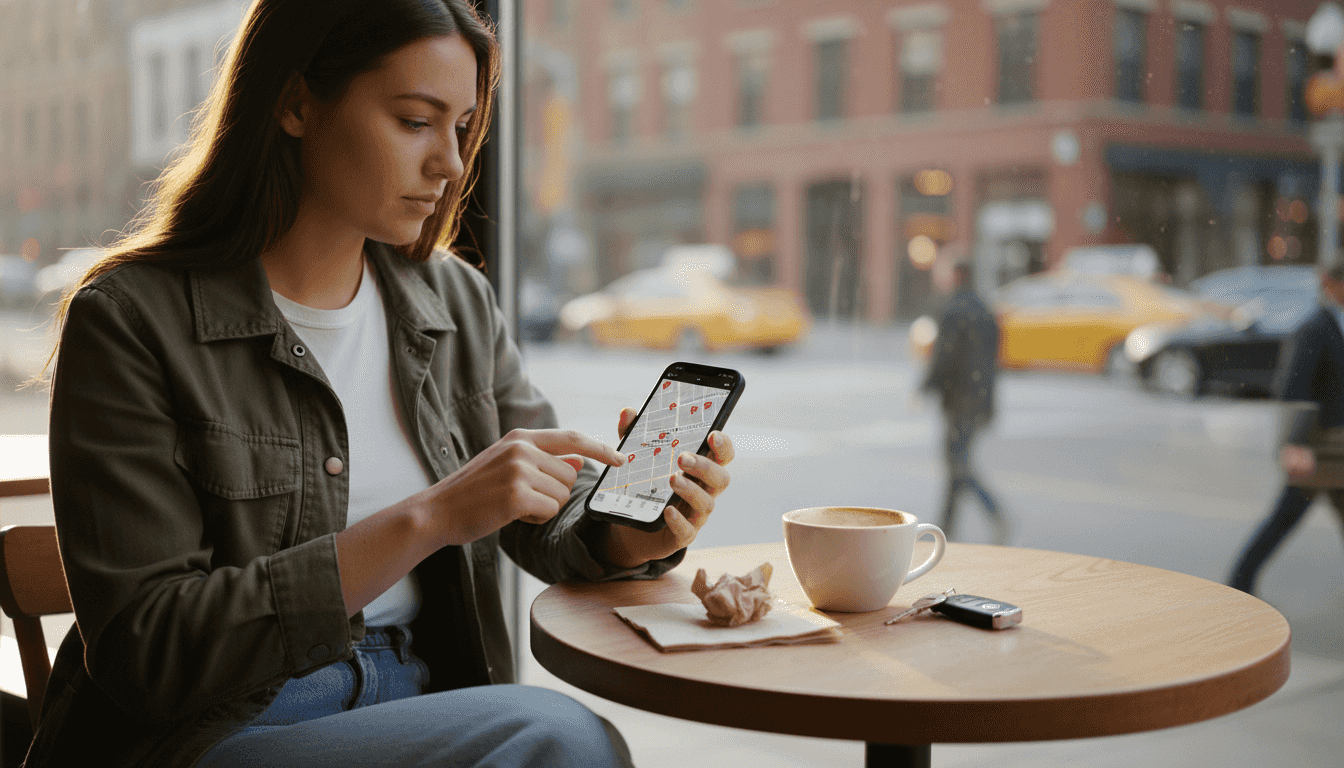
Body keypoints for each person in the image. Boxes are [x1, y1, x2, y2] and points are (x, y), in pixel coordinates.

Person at [22, 2, 735, 767]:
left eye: (462, 126)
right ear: (296, 103)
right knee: (558, 739)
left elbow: (545, 516)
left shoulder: (453, 300)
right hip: (214, 731)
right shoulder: (132, 319)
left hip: (418, 696)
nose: (453, 165)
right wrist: (429, 517)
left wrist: (629, 532)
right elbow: (149, 654)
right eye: (414, 121)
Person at [1228, 264, 1344, 596]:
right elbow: (1295, 388)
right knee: (1282, 520)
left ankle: (1240, 581)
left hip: (1339, 452)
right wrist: (1294, 443)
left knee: (1283, 520)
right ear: (1330, 283)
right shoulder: (1314, 329)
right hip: (1317, 450)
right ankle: (1239, 584)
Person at [920, 261, 1007, 544]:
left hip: (959, 401)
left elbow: (944, 357)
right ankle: (945, 530)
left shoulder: (953, 311)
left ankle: (994, 511)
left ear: (956, 276)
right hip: (982, 401)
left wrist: (926, 386)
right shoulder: (985, 309)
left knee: (958, 464)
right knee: (956, 463)